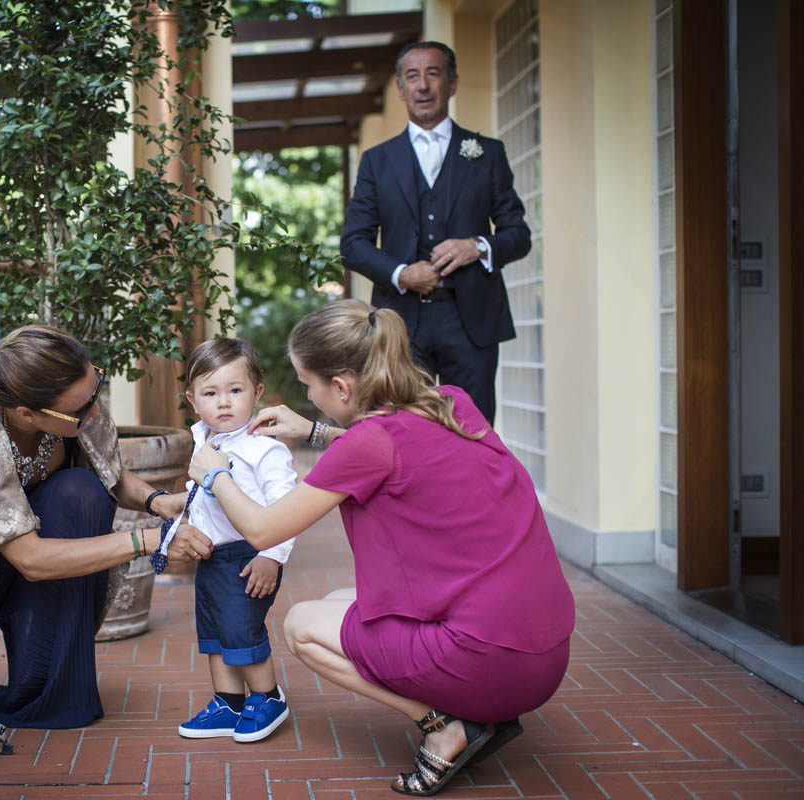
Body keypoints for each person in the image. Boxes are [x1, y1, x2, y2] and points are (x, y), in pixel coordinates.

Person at [188, 300, 574, 797]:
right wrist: (314, 431)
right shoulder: (451, 400)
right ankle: (475, 710)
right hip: (545, 648)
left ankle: (448, 726)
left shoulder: (366, 444)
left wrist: (214, 474)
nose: (307, 395)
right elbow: (393, 447)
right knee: (335, 603)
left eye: (309, 386)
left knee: (302, 626)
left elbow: (262, 530)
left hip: (494, 660)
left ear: (343, 387)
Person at [0, 325, 213, 750]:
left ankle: (45, 690)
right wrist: (150, 541)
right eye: (82, 410)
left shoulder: (78, 399)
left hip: (38, 545)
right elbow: (29, 557)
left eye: (94, 390)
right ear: (26, 413)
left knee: (80, 489)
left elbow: (110, 473)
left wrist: (160, 503)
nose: (95, 413)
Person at [340, 41, 531, 425]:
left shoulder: (487, 153)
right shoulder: (377, 161)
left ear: (452, 84)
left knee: (473, 430)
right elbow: (353, 244)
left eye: (433, 74)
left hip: (472, 320)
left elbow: (518, 234)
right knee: (407, 429)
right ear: (400, 88)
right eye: (413, 76)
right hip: (401, 323)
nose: (423, 86)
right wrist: (401, 273)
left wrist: (478, 246)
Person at [168, 338, 297, 743]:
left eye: (235, 390)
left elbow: (287, 507)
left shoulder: (265, 450)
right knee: (214, 632)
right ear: (193, 400)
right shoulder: (203, 441)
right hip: (211, 557)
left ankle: (267, 697)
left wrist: (271, 557)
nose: (223, 402)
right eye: (210, 393)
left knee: (242, 629)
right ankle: (228, 702)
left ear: (257, 393)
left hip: (251, 555)